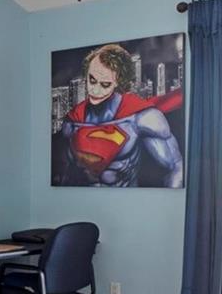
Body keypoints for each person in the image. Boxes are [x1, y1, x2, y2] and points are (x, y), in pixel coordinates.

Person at [58, 44, 183, 187]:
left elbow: (176, 167)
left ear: (119, 82)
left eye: (105, 84)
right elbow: (65, 174)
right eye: (92, 80)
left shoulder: (143, 118)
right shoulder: (72, 122)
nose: (95, 90)